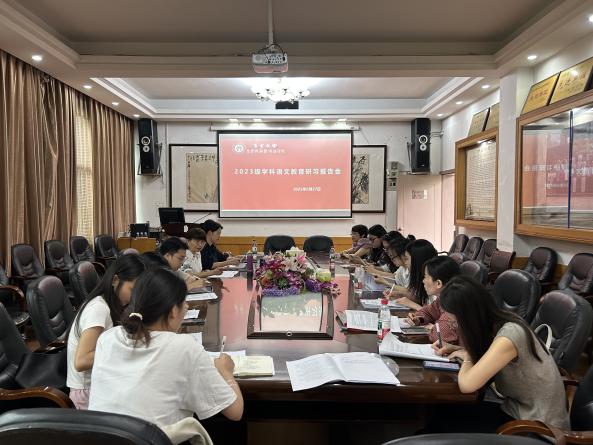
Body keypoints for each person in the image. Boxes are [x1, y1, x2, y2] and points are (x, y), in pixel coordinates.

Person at [89, 268, 244, 435]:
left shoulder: (107, 338)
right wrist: (226, 372)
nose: (186, 307)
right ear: (173, 311)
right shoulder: (185, 347)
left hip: (100, 437)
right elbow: (235, 412)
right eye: (184, 303)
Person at [431, 276, 569, 431]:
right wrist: (457, 349)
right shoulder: (498, 323)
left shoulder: (509, 335)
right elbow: (486, 358)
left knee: (443, 421)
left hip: (538, 427)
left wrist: (468, 356)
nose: (456, 326)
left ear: (469, 317)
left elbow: (467, 385)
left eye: (455, 322)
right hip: (517, 411)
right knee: (441, 412)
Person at [66, 254, 146, 409]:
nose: (134, 297)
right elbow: (81, 361)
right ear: (115, 280)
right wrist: (122, 348)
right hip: (88, 392)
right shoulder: (98, 308)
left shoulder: (110, 304)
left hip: (101, 382)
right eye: (132, 290)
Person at [406, 256, 461, 345]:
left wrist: (433, 328)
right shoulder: (442, 298)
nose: (423, 281)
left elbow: (440, 337)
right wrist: (419, 319)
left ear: (438, 283)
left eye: (425, 277)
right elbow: (428, 311)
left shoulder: (454, 303)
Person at [384, 239, 437, 310]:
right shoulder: (420, 276)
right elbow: (421, 299)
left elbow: (436, 315)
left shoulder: (435, 280)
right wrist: (401, 295)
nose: (405, 262)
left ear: (417, 260)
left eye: (406, 259)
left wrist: (412, 304)